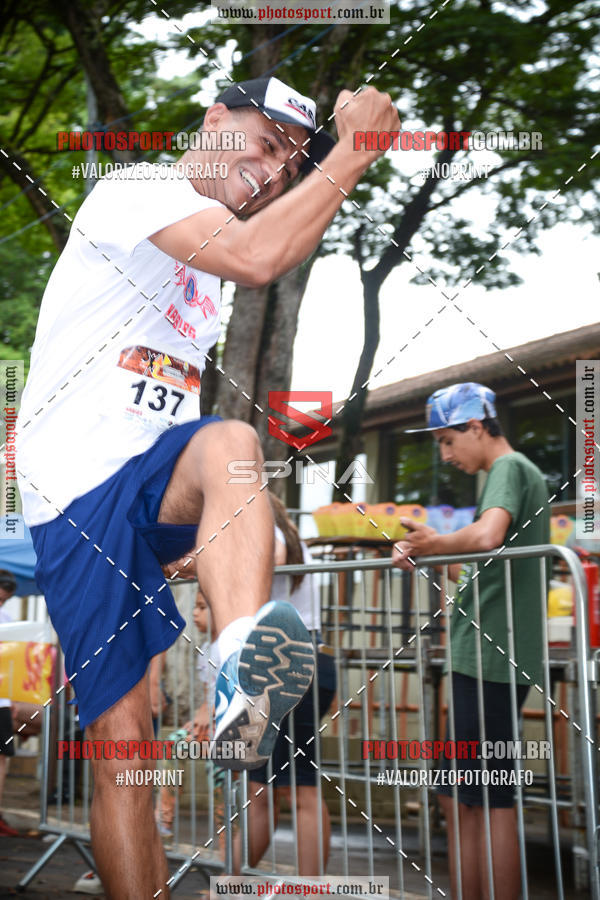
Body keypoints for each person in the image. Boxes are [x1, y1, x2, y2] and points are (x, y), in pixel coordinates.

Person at [15, 75, 400, 897]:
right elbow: (260, 255)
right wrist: (355, 146)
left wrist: (204, 541)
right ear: (214, 119)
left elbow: (166, 410)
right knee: (125, 744)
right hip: (75, 495)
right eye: (265, 144)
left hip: (143, 480)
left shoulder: (204, 279)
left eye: (293, 163)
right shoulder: (137, 189)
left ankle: (243, 684)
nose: (273, 171)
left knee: (230, 441)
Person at [392, 383, 549, 900]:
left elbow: (487, 536)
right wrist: (433, 552)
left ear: (477, 427)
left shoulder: (510, 469)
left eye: (447, 441)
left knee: (483, 797)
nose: (445, 454)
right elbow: (483, 555)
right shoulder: (512, 474)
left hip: (490, 657)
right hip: (487, 653)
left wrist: (434, 543)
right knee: (465, 795)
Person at [234, 493, 336, 876]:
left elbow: (270, 558)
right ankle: (232, 880)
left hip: (282, 665)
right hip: (308, 660)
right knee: (272, 789)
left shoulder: (267, 533)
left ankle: (237, 881)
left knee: (280, 791)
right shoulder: (297, 541)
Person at [0, 569, 19, 837]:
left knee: (2, 757)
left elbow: (13, 663)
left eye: (3, 600)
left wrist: (14, 697)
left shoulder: (8, 620)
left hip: (2, 699)